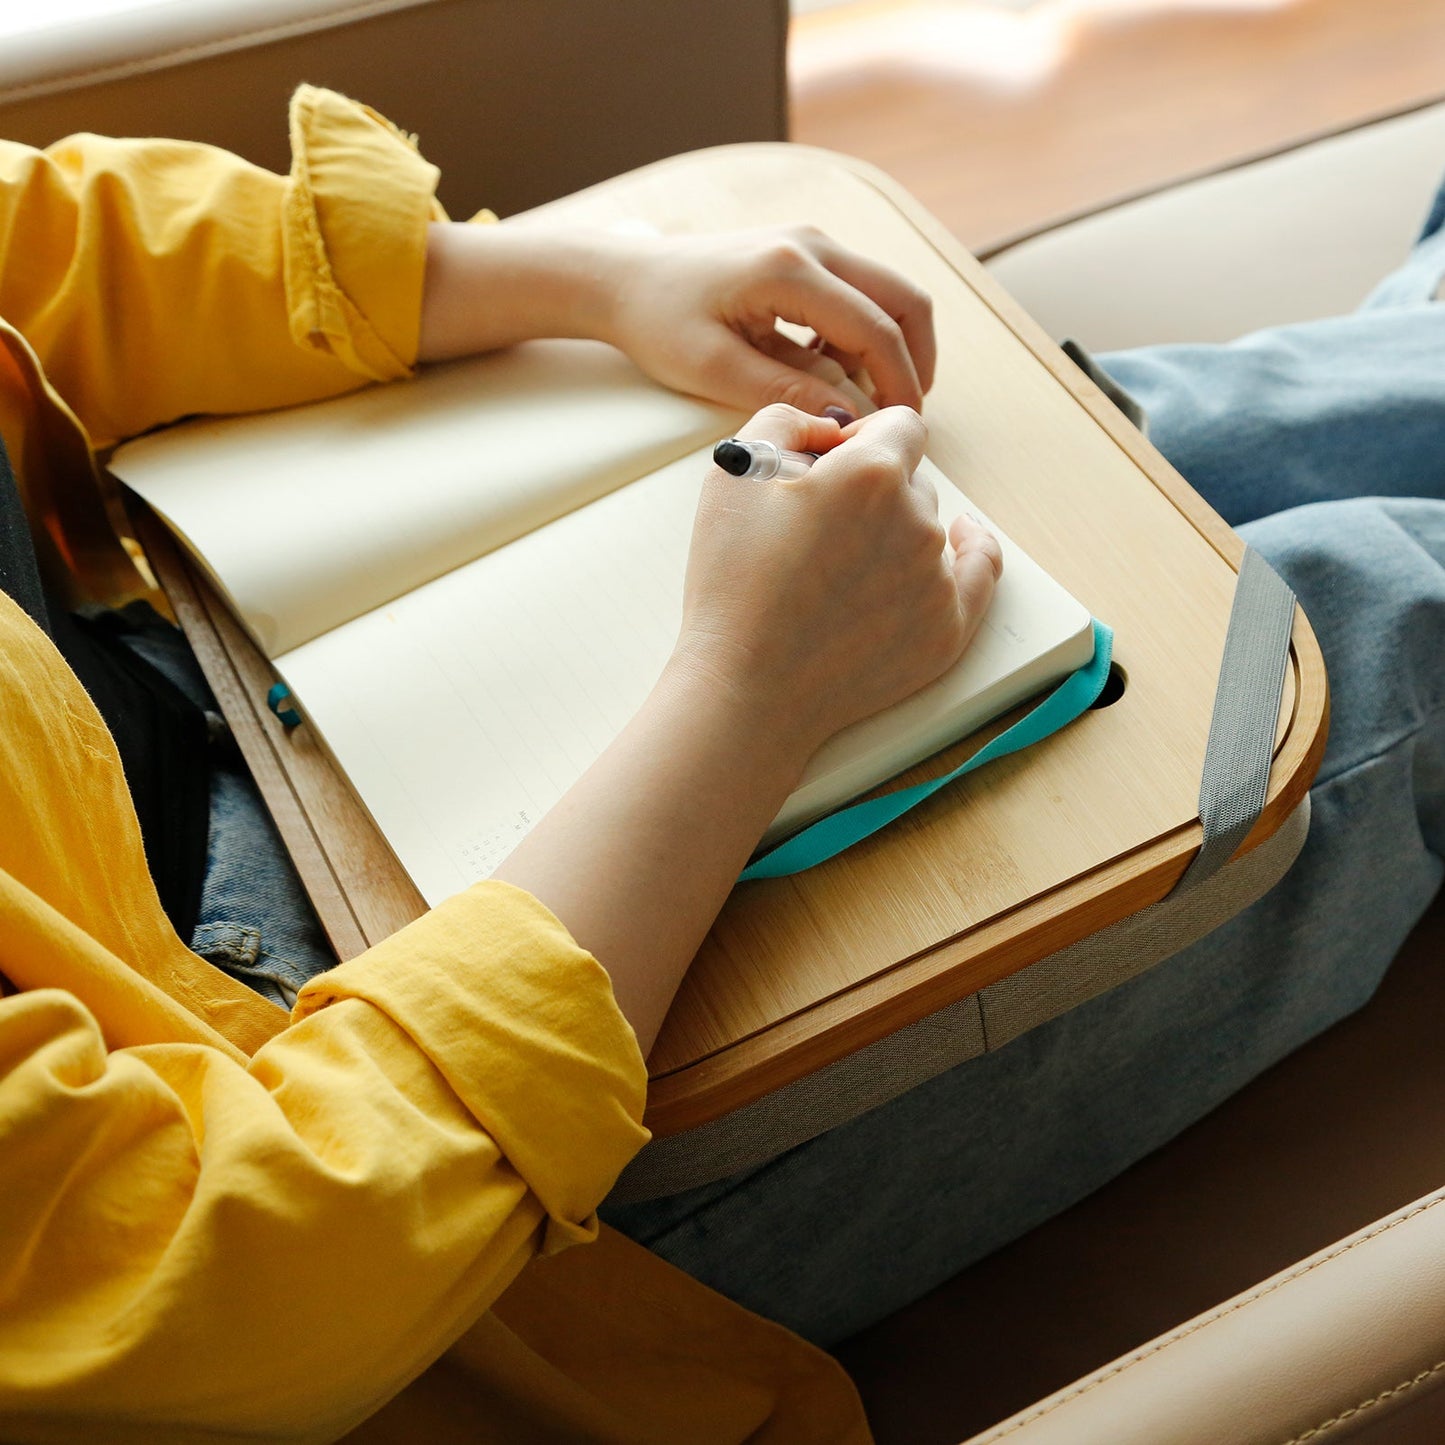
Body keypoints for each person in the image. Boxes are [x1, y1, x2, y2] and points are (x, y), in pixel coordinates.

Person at [0, 84, 1439, 1445]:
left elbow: (45, 246)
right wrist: (746, 690)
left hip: (195, 637)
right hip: (405, 1142)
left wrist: (584, 282)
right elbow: (222, 1270)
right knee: (1384, 606)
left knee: (1117, 441)